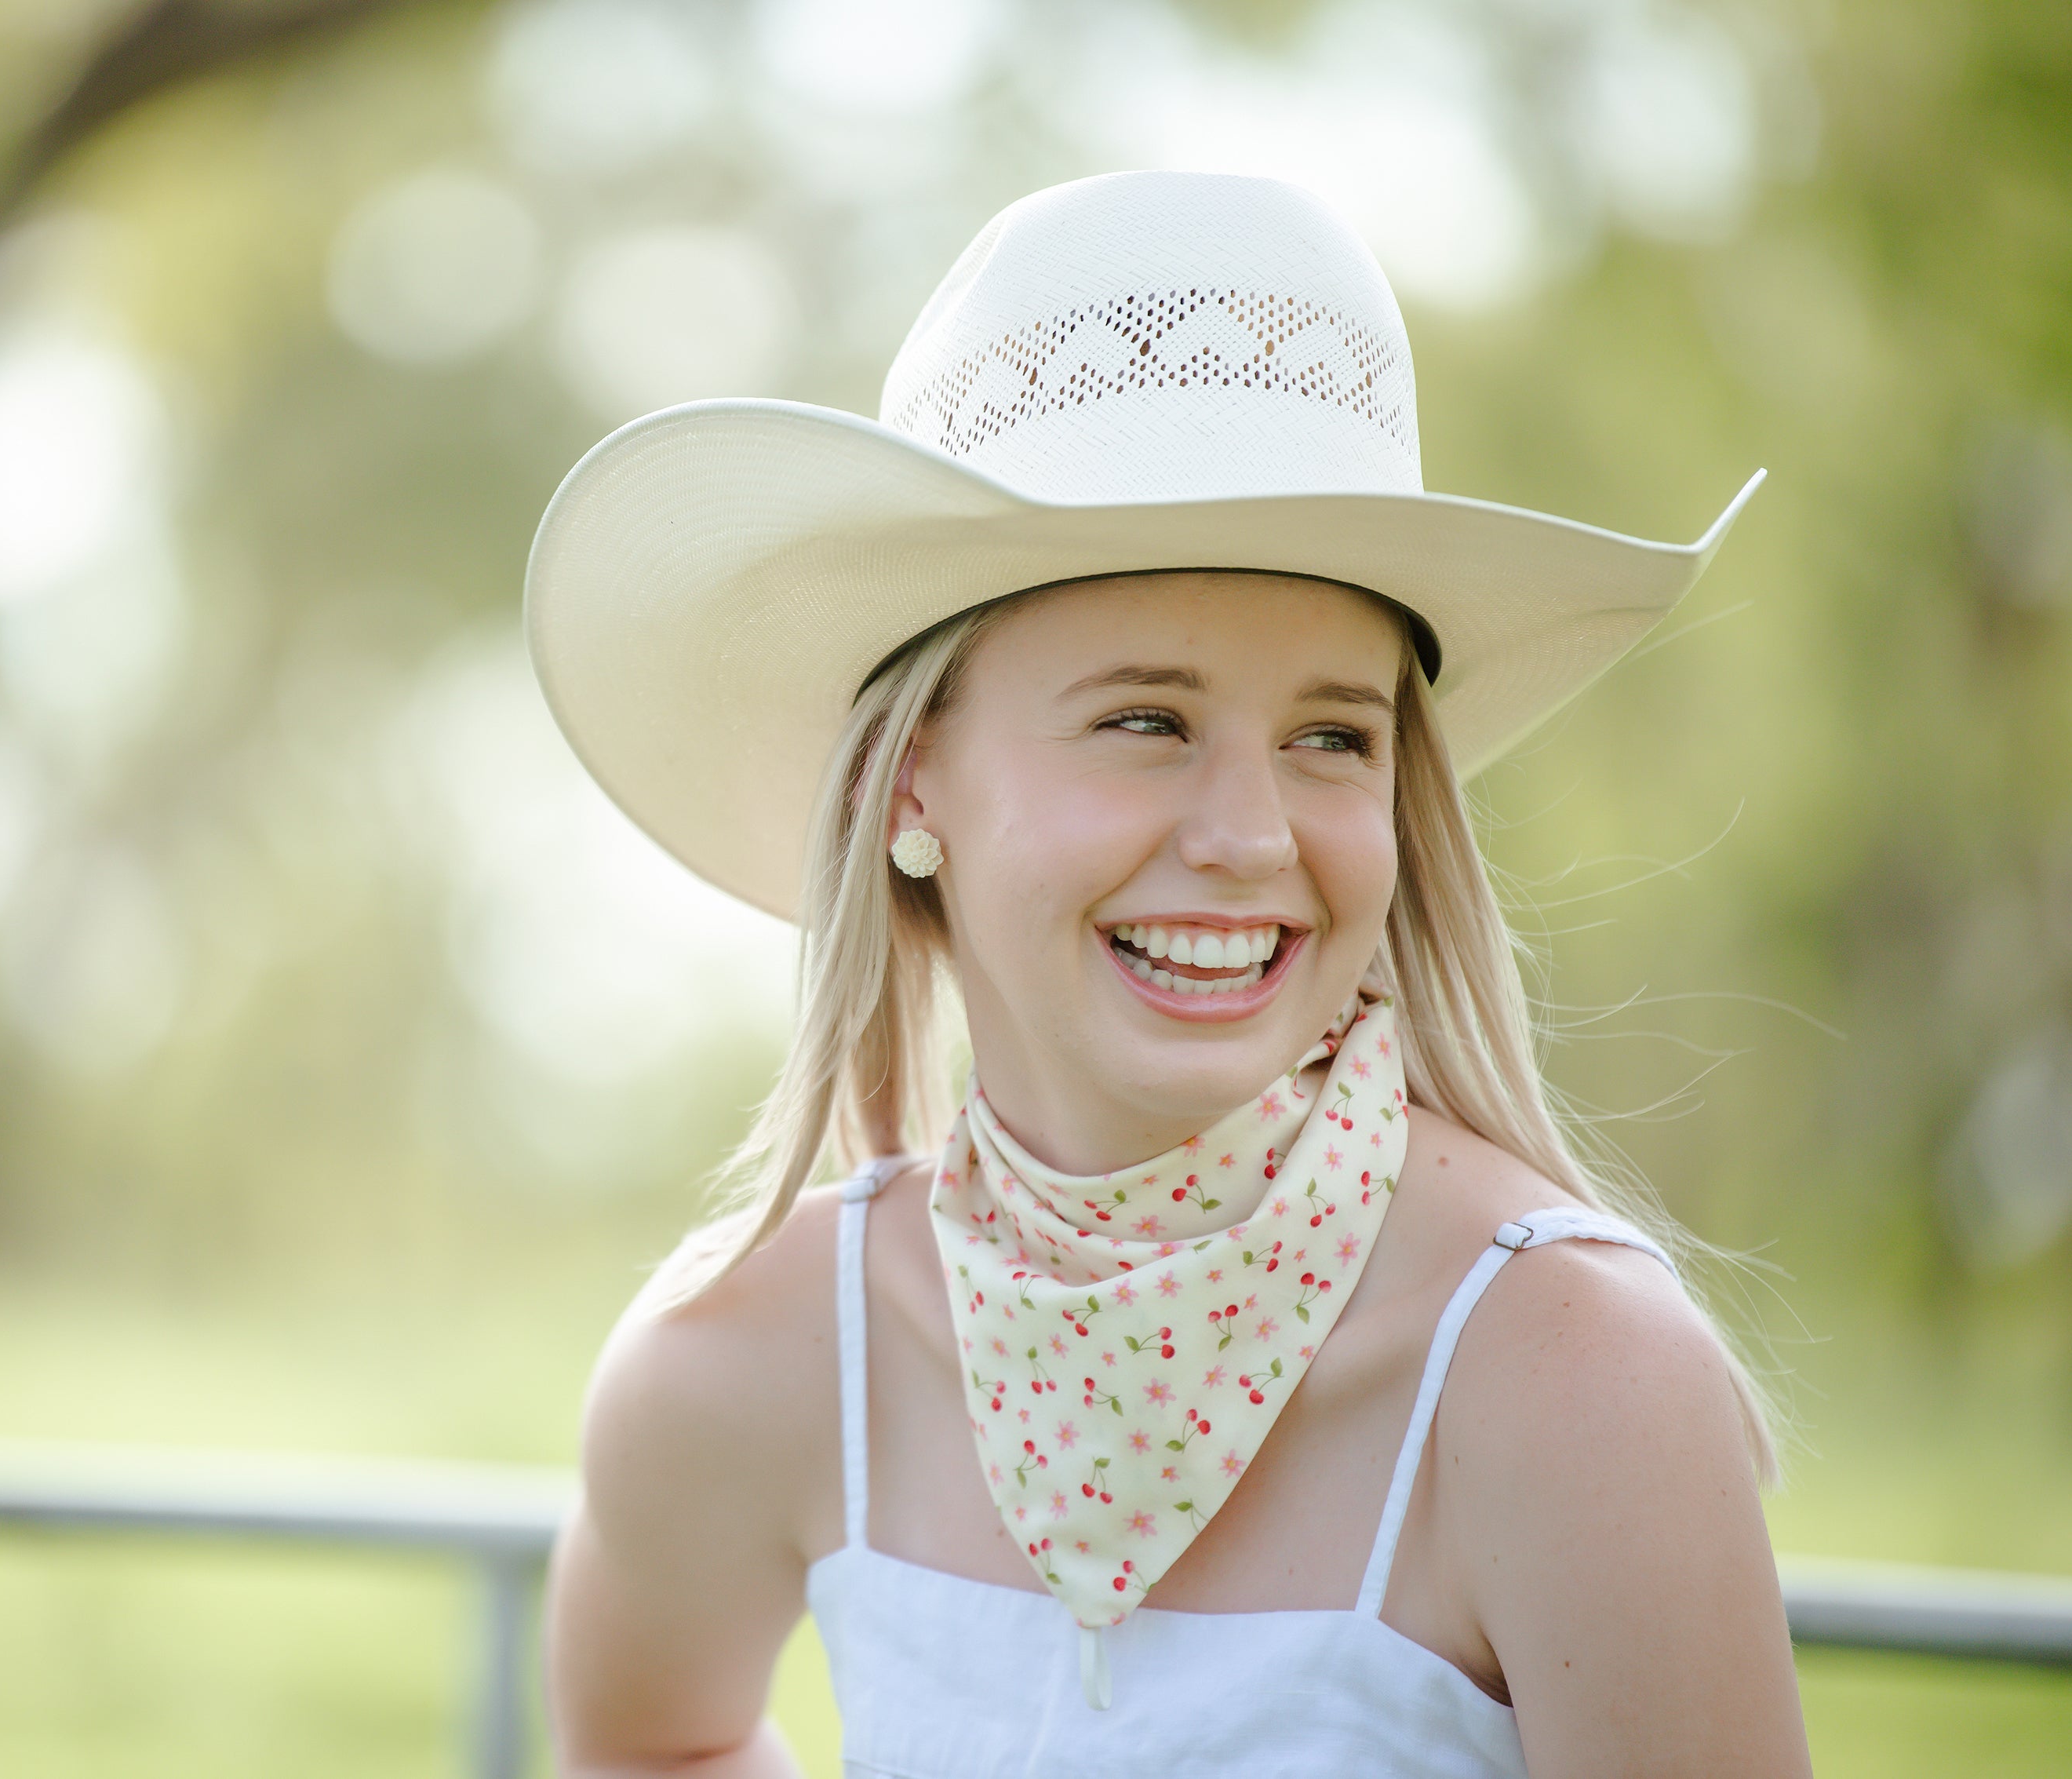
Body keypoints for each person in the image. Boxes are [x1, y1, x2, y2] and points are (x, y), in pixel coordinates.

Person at [526, 172, 1811, 1777]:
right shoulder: (754, 1354)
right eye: (1144, 721)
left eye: (1330, 736)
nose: (1249, 834)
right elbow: (641, 1742)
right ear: (908, 785)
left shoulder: (1569, 1380)